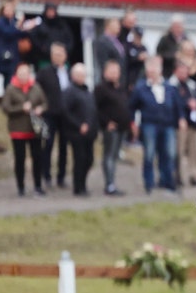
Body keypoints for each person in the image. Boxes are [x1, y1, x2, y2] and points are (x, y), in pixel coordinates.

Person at [129, 57, 185, 194]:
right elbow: (131, 107)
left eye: (155, 70)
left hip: (168, 124)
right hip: (149, 124)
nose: (152, 73)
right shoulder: (141, 88)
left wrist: (181, 118)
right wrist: (133, 123)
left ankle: (167, 182)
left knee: (169, 153)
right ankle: (149, 184)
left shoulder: (169, 87)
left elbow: (178, 105)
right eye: (150, 70)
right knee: (149, 154)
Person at [0, 63, 47, 197]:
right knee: (20, 159)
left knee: (37, 158)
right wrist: (21, 108)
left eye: (26, 74)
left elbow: (45, 103)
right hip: (18, 130)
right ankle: (20, 186)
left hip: (34, 130)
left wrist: (40, 109)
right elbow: (5, 108)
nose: (23, 77)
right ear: (16, 75)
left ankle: (38, 186)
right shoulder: (11, 89)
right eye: (21, 74)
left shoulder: (36, 87)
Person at [34, 42, 70, 189]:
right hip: (49, 114)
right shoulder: (44, 72)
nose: (58, 57)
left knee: (64, 147)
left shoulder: (68, 72)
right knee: (47, 144)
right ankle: (46, 175)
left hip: (66, 115)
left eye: (60, 54)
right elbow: (37, 91)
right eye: (55, 54)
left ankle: (61, 177)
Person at [94, 59, 131, 196]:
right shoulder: (101, 88)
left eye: (117, 71)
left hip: (122, 128)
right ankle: (109, 185)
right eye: (112, 71)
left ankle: (112, 182)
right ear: (105, 72)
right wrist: (106, 122)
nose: (115, 74)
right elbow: (96, 108)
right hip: (111, 129)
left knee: (115, 157)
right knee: (108, 156)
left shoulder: (119, 88)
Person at [61, 63, 99, 196]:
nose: (82, 77)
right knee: (80, 159)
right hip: (76, 133)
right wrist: (78, 125)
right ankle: (78, 187)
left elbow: (93, 111)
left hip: (90, 133)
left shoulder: (87, 92)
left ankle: (83, 184)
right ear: (73, 76)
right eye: (79, 75)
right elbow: (65, 112)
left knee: (89, 160)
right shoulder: (69, 92)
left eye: (84, 75)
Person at [170, 60, 196, 187]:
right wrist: (185, 106)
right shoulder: (172, 86)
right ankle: (179, 176)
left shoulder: (191, 85)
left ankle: (193, 175)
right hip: (180, 123)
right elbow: (174, 103)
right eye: (181, 71)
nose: (184, 74)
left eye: (185, 71)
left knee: (194, 151)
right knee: (179, 151)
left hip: (192, 123)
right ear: (176, 71)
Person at [0, 0, 31, 89]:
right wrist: (18, 27)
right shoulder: (0, 21)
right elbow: (8, 33)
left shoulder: (14, 21)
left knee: (12, 75)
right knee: (7, 75)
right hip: (4, 52)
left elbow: (20, 33)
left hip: (14, 52)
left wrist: (27, 28)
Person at [29, 3, 73, 69]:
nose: (51, 13)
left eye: (52, 11)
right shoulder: (40, 24)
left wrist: (64, 51)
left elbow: (70, 40)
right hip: (44, 59)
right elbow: (34, 39)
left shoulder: (62, 25)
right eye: (49, 11)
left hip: (61, 60)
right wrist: (43, 49)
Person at [93, 17, 127, 88]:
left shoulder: (117, 41)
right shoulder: (102, 41)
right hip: (110, 82)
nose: (119, 27)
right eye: (116, 24)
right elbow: (103, 62)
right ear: (108, 25)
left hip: (121, 79)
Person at [155, 14, 189, 80]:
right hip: (167, 72)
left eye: (179, 26)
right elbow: (159, 54)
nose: (177, 29)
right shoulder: (165, 39)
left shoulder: (186, 39)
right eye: (175, 26)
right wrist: (173, 56)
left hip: (182, 74)